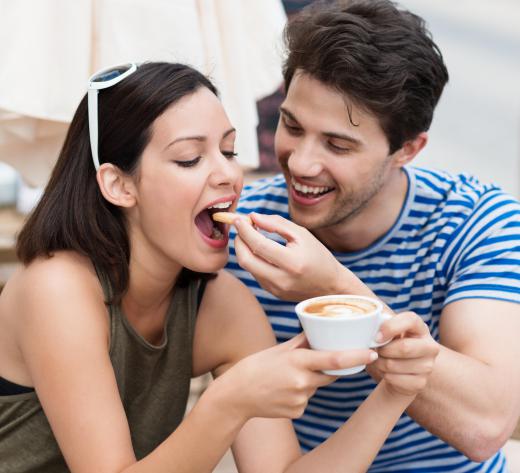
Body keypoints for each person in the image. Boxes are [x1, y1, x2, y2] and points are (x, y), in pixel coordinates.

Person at [0, 61, 438, 473]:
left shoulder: (222, 303)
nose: (228, 175)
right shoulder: (56, 289)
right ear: (119, 184)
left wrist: (394, 393)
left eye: (229, 151)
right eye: (190, 158)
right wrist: (229, 402)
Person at [227, 1, 520, 472]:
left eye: (337, 144)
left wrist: (333, 290)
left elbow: (486, 425)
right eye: (292, 125)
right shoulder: (243, 234)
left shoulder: (476, 220)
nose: (300, 163)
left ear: (408, 148)